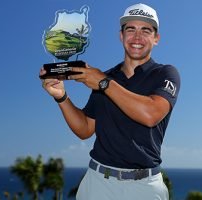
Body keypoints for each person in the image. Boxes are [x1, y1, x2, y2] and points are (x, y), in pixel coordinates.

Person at [40, 3, 180, 200]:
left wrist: (103, 83)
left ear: (156, 38)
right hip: (97, 182)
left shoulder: (165, 73)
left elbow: (151, 114)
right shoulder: (105, 77)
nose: (137, 37)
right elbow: (85, 129)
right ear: (121, 36)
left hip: (145, 187)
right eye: (130, 29)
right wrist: (61, 97)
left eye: (146, 30)